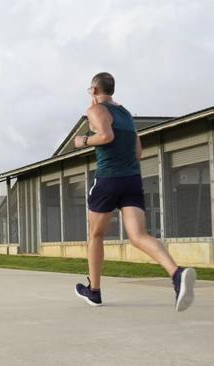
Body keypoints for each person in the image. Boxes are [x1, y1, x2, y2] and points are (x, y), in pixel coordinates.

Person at [73, 72, 196, 311]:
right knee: (139, 235)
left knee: (96, 236)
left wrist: (84, 141)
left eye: (90, 91)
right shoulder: (127, 115)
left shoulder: (96, 110)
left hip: (108, 180)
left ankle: (95, 291)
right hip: (131, 180)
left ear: (95, 90)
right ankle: (176, 273)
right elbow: (137, 152)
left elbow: (106, 136)